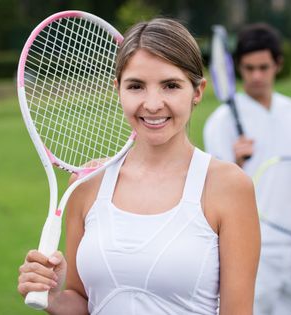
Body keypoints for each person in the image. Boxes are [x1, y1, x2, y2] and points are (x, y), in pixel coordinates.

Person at [17, 18, 261, 315]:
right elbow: (83, 302)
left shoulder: (228, 186)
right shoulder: (87, 183)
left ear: (197, 91)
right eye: (136, 86)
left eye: (171, 86)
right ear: (118, 89)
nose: (153, 104)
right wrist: (54, 298)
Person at [204, 23, 291, 315]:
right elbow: (210, 198)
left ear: (277, 65)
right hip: (251, 250)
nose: (257, 76)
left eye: (264, 67)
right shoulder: (220, 122)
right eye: (249, 68)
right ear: (237, 68)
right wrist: (236, 164)